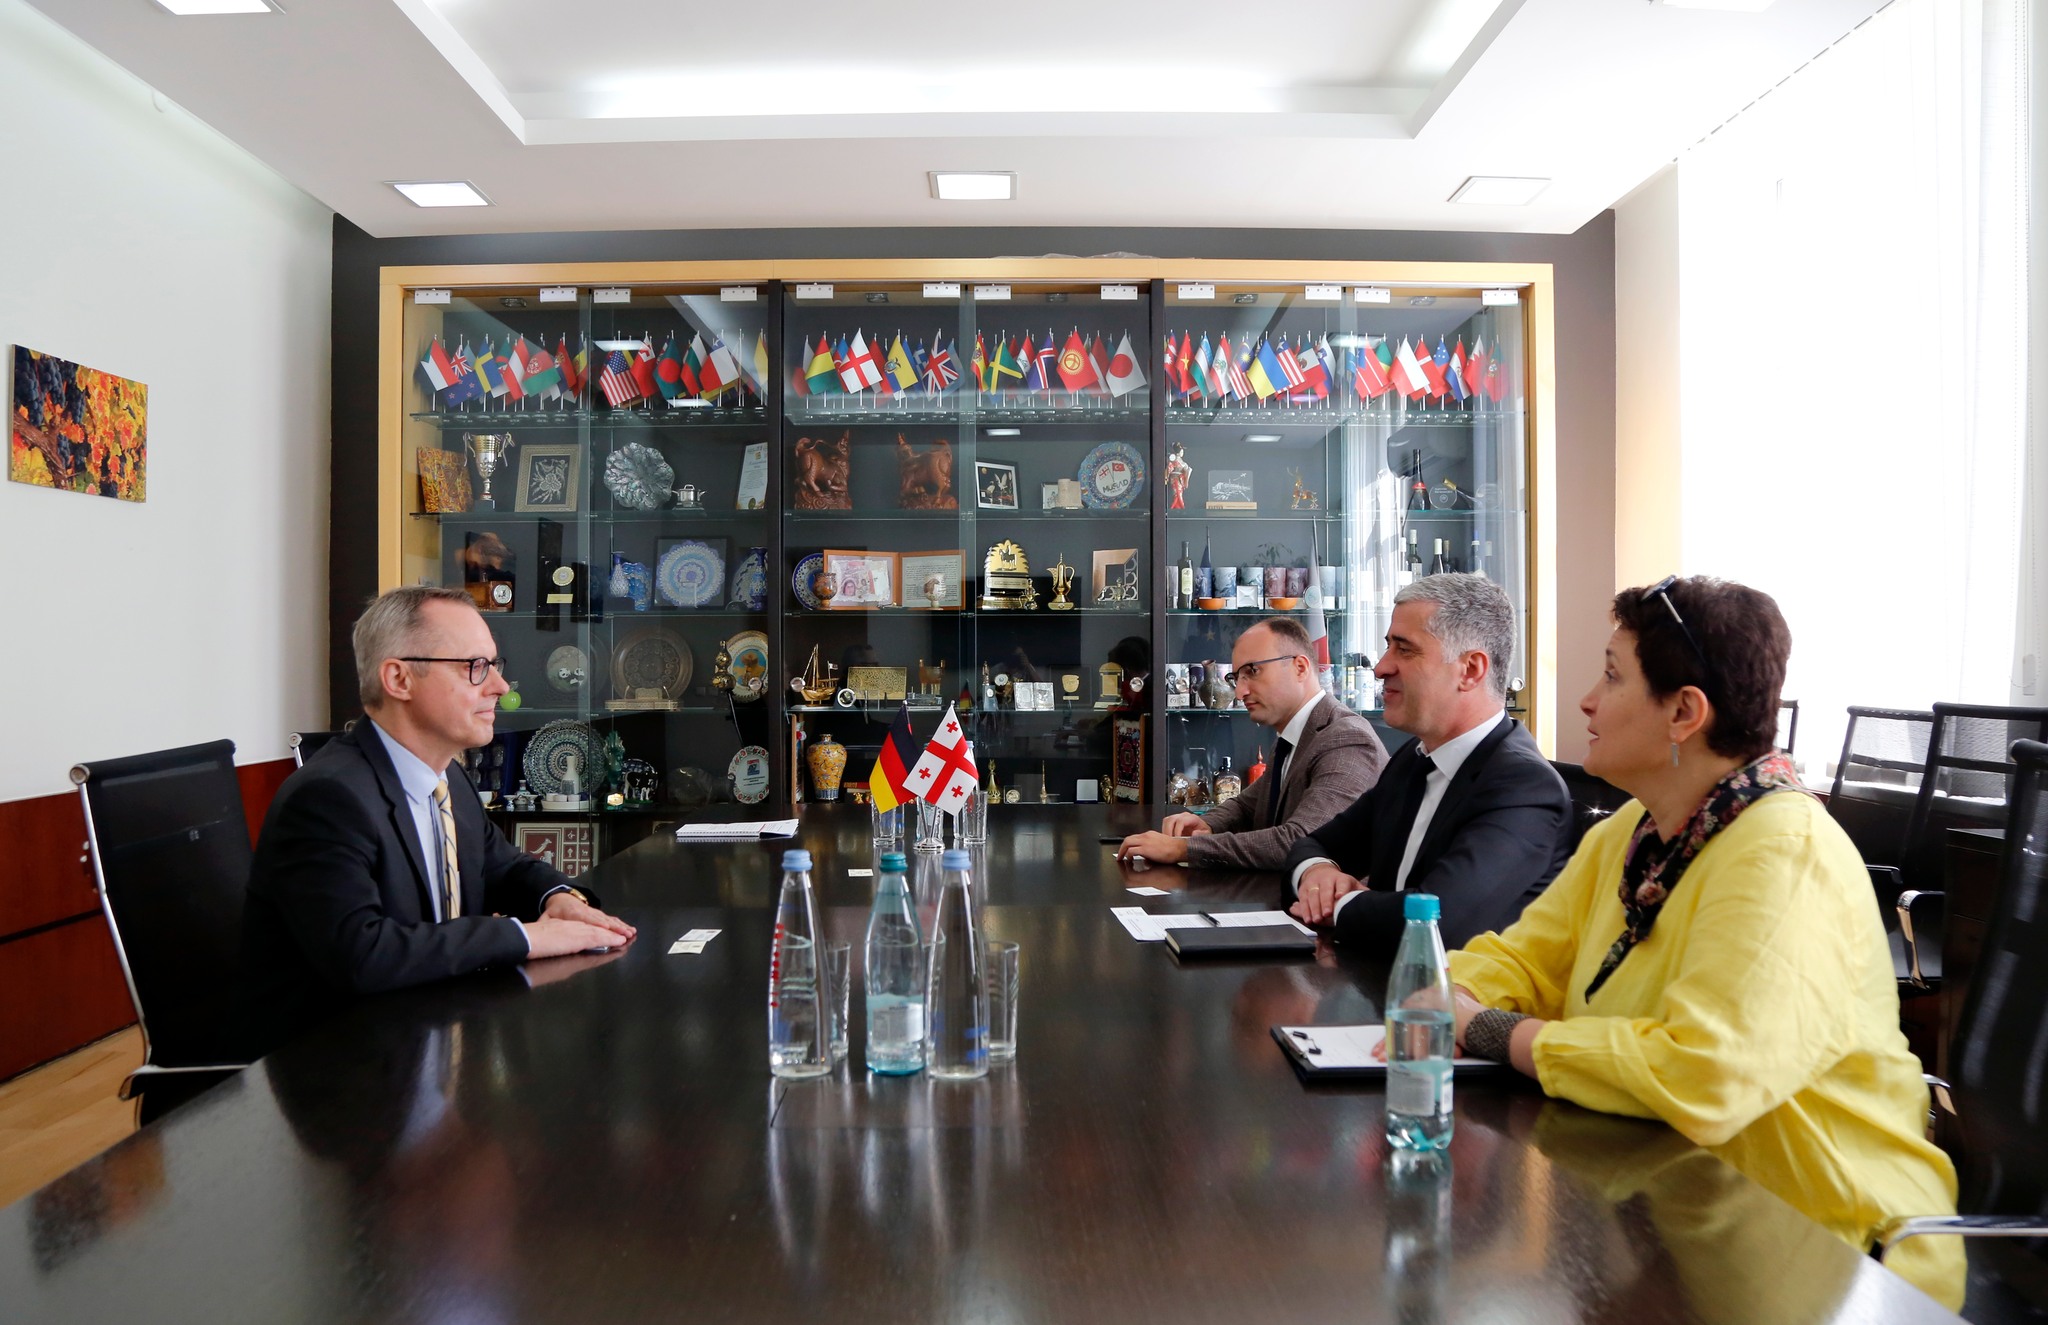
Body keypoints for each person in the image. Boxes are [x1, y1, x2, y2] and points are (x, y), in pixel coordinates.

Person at [1443, 576, 1961, 1307]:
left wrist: (1490, 1030)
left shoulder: (1784, 851)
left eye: (1612, 676)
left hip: (1831, 1254)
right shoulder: (1633, 832)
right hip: (1676, 1215)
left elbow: (1705, 1073)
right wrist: (1452, 994)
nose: (1587, 699)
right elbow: (1522, 958)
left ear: (1684, 712)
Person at [242, 586, 637, 1053]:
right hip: (341, 1061)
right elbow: (362, 955)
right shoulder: (328, 798)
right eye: (475, 666)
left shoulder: (447, 776)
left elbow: (501, 866)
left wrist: (560, 898)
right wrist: (525, 937)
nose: (500, 687)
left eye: (495, 665)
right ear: (399, 679)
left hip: (434, 1034)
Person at [1287, 573, 1571, 951]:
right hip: (1374, 977)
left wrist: (1337, 905)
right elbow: (1312, 845)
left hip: (1455, 989)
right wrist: (1317, 873)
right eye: (1388, 646)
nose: (1381, 667)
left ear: (1470, 670)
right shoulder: (1414, 758)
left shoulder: (1524, 786)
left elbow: (1437, 922)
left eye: (1404, 650)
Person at [1119, 616, 1385, 869]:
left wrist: (1185, 848)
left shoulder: (1346, 739)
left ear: (1300, 668)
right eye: (1236, 678)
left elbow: (1302, 842)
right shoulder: (1292, 737)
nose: (1239, 692)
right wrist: (1206, 824)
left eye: (1253, 671)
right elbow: (1247, 805)